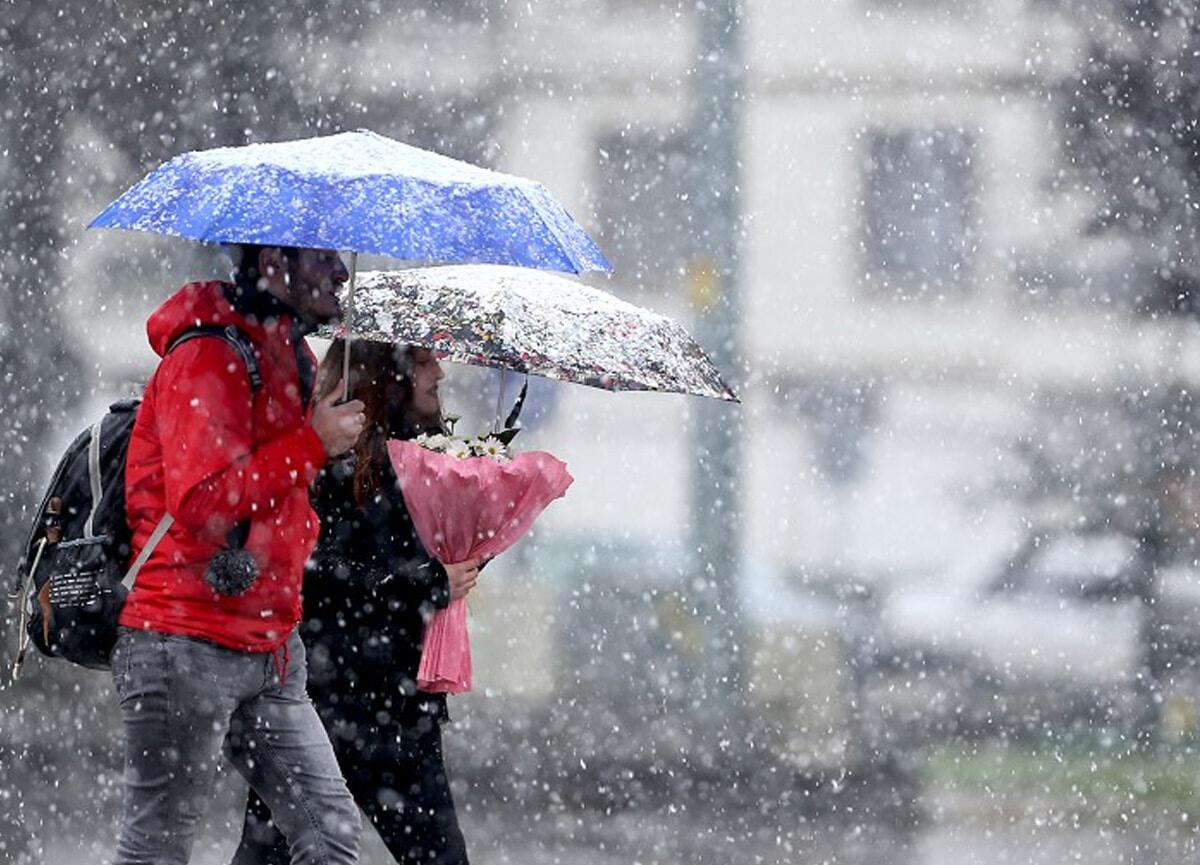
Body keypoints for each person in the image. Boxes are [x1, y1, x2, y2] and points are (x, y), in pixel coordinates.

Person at [111, 246, 367, 865]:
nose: (341, 271)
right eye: (321, 258)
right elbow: (202, 499)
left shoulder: (291, 354)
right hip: (183, 637)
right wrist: (311, 443)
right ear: (275, 261)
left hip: (272, 645)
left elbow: (281, 492)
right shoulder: (208, 353)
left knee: (330, 834)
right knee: (158, 847)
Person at [231, 338, 480, 865]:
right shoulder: (331, 459)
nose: (439, 372)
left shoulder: (432, 459)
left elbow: (420, 567)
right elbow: (318, 573)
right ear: (387, 374)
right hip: (327, 700)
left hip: (400, 703)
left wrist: (473, 543)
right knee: (272, 853)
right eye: (423, 360)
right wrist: (426, 583)